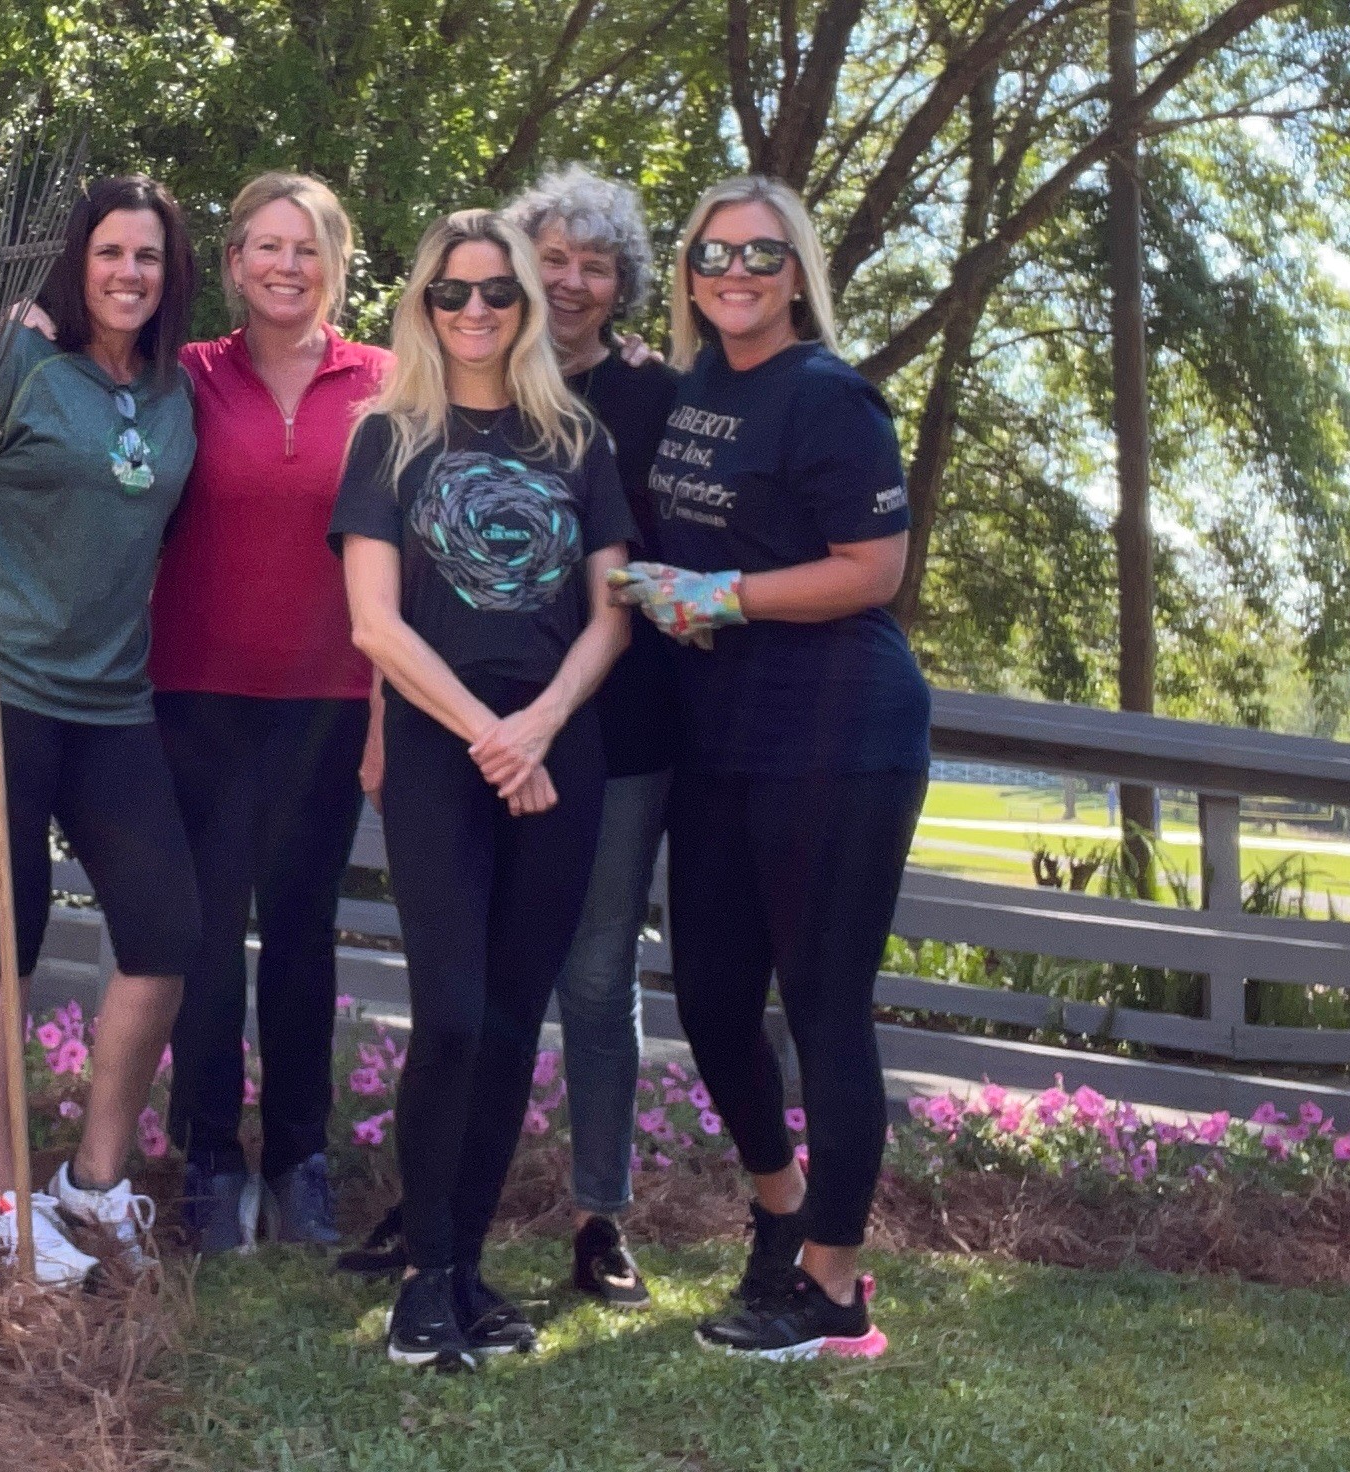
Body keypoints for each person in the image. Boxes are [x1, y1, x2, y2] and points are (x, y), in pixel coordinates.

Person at [610, 175, 930, 1360]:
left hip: (840, 733)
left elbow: (873, 568)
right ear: (690, 274)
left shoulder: (830, 396)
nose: (735, 272)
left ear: (797, 272)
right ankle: (783, 1208)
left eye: (760, 253)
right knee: (708, 996)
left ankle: (833, 1288)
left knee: (826, 1003)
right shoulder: (692, 387)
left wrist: (722, 595)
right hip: (723, 736)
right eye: (713, 254)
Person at [331, 208, 635, 1369]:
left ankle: (463, 1267)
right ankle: (421, 1278)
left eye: (497, 292)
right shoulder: (388, 436)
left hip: (560, 755)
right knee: (453, 1012)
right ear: (422, 303)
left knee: (512, 1020)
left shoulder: (578, 439)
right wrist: (489, 738)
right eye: (451, 292)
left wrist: (540, 726)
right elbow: (374, 622)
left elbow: (612, 613)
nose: (474, 311)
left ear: (526, 306)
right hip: (440, 754)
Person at [0, 175, 202, 1287]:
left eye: (148, 256)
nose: (128, 272)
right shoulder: (13, 356)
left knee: (166, 936)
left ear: (170, 273)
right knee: (2, 944)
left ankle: (92, 1180)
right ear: (79, 261)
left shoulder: (173, 391)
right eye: (110, 252)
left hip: (111, 702)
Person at [148, 173, 391, 1253]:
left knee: (301, 933)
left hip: (328, 705)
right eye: (267, 246)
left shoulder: (388, 381)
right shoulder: (185, 374)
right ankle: (208, 1157)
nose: (287, 265)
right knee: (202, 934)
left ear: (336, 264)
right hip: (194, 696)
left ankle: (299, 1157)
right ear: (234, 261)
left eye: (309, 247)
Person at [503, 164, 677, 1307]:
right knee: (482, 963)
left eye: (596, 266)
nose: (570, 282)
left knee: (599, 971)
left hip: (623, 727)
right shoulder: (477, 371)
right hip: (489, 719)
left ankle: (599, 1214)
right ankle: (449, 1189)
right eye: (553, 258)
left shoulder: (660, 399)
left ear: (625, 285)